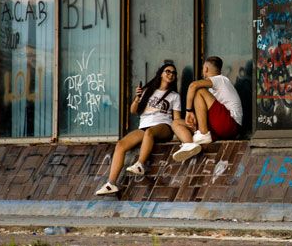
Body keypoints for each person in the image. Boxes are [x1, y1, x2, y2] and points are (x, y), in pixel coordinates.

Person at [95, 61, 194, 196]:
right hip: (144, 126)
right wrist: (137, 98)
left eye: (174, 73)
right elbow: (133, 110)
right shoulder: (148, 91)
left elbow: (176, 118)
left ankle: (140, 164)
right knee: (121, 145)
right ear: (161, 74)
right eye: (168, 71)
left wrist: (186, 125)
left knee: (149, 133)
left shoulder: (174, 96)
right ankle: (111, 183)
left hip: (164, 126)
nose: (171, 75)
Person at [172, 56, 243, 161]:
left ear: (205, 69)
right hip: (217, 129)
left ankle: (203, 134)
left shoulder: (221, 79)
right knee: (176, 123)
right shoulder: (212, 89)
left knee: (199, 91)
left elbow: (193, 86)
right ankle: (189, 145)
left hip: (230, 125)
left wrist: (188, 111)